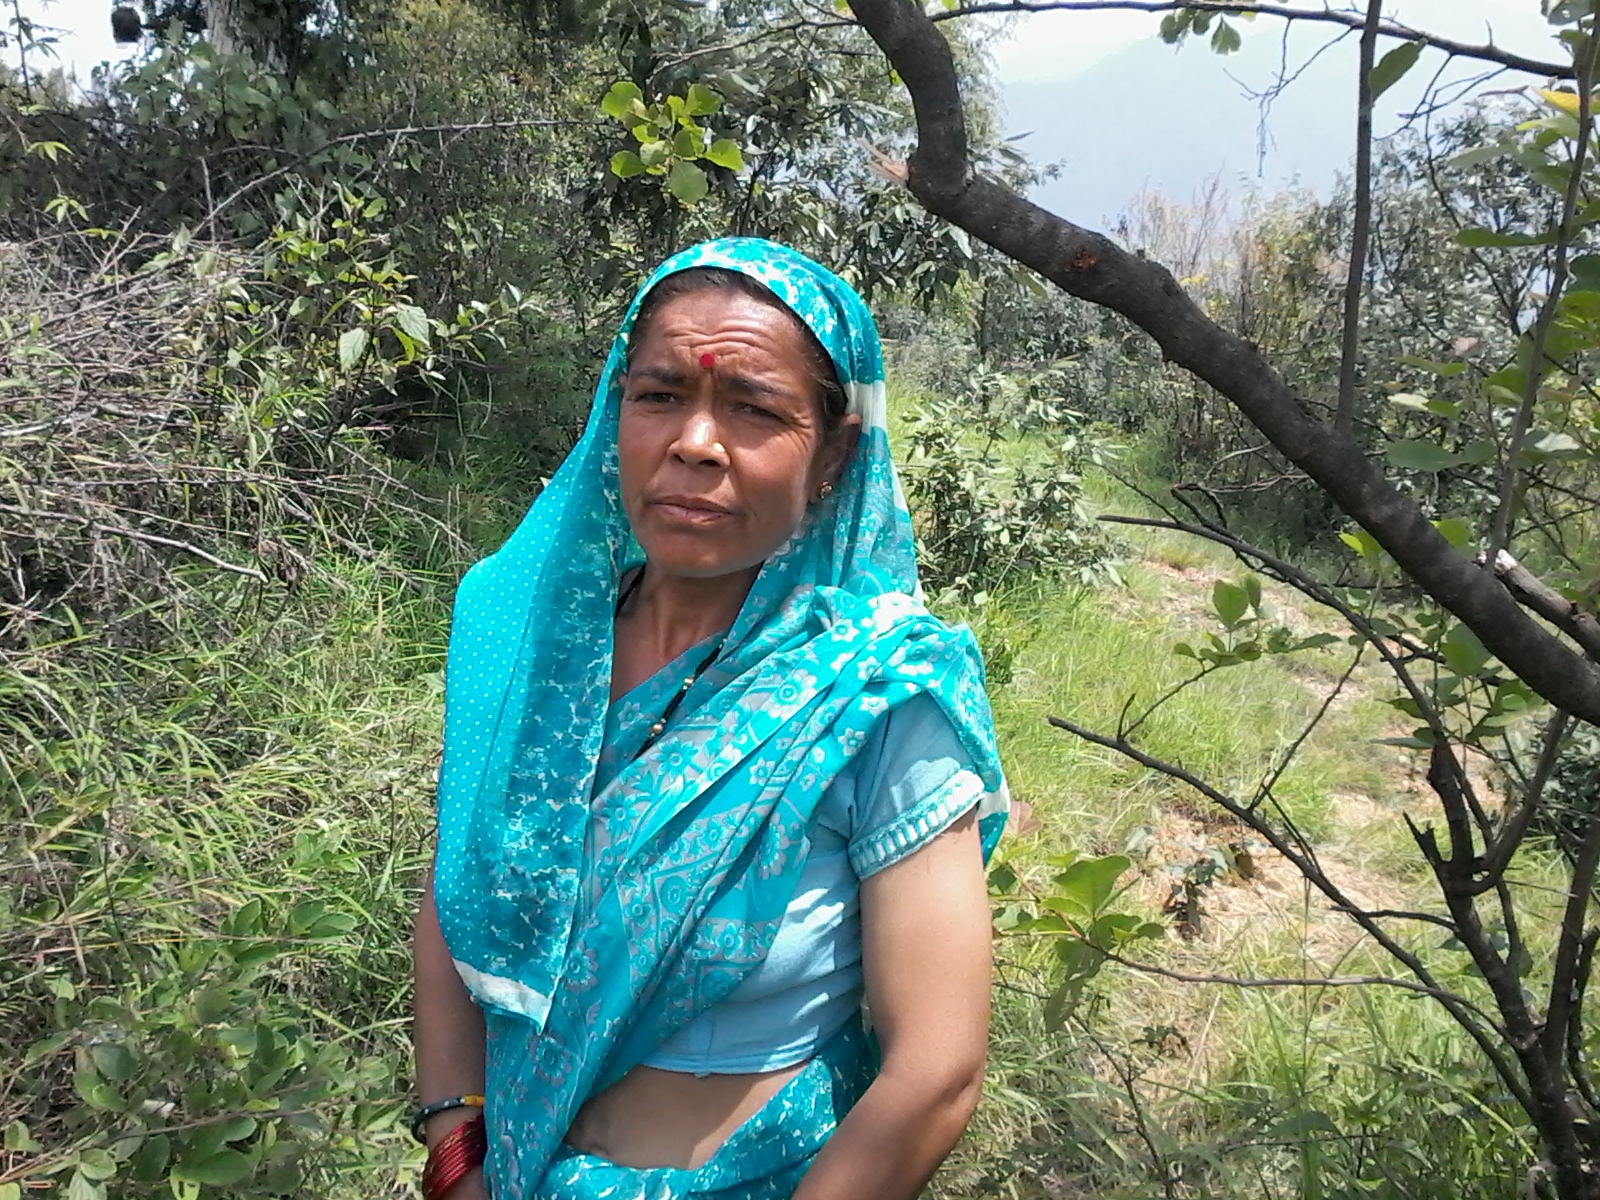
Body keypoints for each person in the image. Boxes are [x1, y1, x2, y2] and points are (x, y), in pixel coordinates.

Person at [412, 238, 1008, 1200]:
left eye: (755, 408)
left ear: (835, 453)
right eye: (658, 396)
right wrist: (455, 1151)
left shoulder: (877, 690)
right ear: (617, 417)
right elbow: (457, 890)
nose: (694, 441)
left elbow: (936, 1069)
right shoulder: (529, 638)